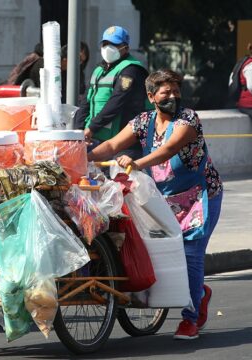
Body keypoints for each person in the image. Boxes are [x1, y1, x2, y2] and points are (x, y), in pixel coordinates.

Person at [88, 69, 223, 340]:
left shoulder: (188, 118)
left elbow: (169, 149)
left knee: (191, 256)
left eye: (176, 91)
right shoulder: (143, 122)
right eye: (165, 93)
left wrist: (137, 163)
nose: (172, 96)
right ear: (151, 97)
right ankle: (200, 293)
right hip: (165, 200)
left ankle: (191, 319)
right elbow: (113, 143)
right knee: (155, 249)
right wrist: (84, 156)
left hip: (199, 197)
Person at [74, 25, 149, 160]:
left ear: (125, 48)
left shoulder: (131, 69)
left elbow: (117, 101)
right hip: (97, 139)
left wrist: (91, 128)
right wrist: (79, 131)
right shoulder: (99, 70)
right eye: (105, 44)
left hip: (123, 143)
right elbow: (86, 101)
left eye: (114, 44)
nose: (108, 48)